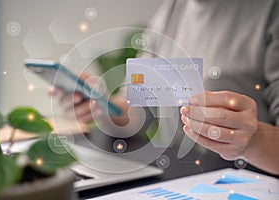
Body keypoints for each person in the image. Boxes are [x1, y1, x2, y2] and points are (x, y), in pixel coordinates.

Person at [52, 0, 279, 175]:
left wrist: (254, 139)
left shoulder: (270, 11)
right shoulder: (174, 8)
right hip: (186, 178)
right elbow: (139, 111)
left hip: (250, 183)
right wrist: (101, 106)